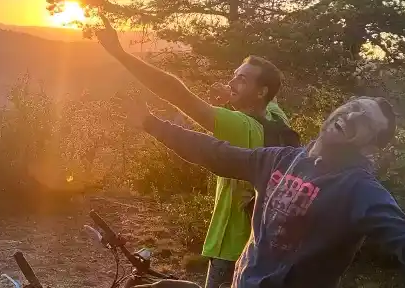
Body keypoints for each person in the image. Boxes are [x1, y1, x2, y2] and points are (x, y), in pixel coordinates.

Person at [121, 95, 405, 288]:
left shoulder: (359, 190)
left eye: (366, 120)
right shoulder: (281, 159)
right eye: (352, 106)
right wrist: (151, 123)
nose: (352, 115)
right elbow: (216, 152)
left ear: (370, 144)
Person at [95, 16, 297, 288]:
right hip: (264, 246)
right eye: (234, 75)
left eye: (242, 79)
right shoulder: (277, 119)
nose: (232, 82)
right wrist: (236, 97)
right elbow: (268, 98)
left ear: (261, 92)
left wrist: (120, 55)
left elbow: (176, 93)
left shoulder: (242, 126)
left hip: (232, 248)